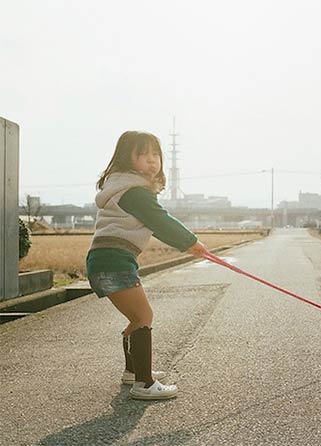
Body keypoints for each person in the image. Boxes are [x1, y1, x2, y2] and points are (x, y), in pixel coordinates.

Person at [86, 130, 209, 400]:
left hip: (105, 261)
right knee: (143, 317)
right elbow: (160, 221)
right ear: (125, 158)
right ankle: (144, 383)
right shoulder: (135, 192)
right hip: (114, 261)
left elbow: (154, 223)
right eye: (142, 155)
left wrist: (186, 243)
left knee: (136, 318)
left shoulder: (120, 187)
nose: (151, 160)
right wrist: (191, 242)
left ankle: (134, 372)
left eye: (155, 154)